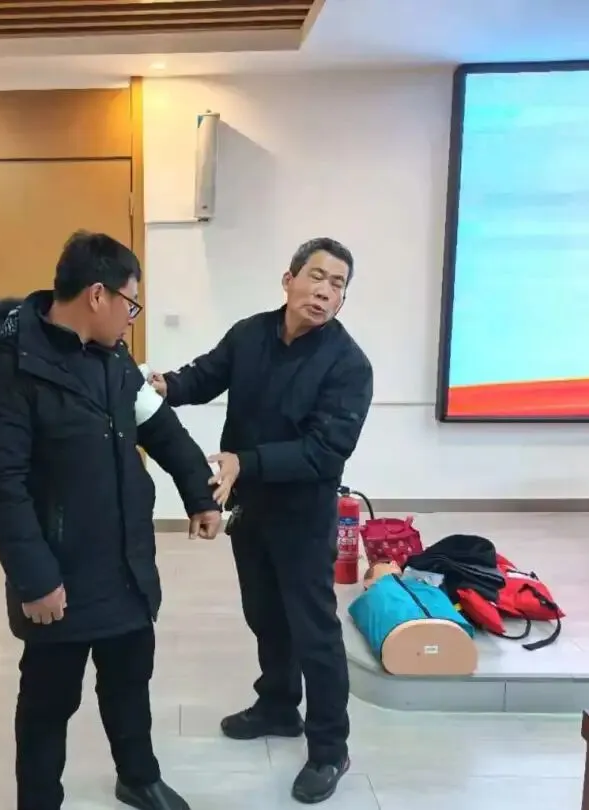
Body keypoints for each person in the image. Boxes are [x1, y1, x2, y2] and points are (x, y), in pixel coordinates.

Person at [0, 230, 223, 810]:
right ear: (98, 295)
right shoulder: (9, 369)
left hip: (125, 562)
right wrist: (35, 579)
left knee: (130, 679)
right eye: (131, 303)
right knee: (49, 700)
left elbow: (161, 429)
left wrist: (199, 495)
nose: (133, 317)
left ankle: (138, 775)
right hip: (58, 572)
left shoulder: (114, 358)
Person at [149, 237, 373, 805]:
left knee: (314, 632)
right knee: (265, 615)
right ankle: (277, 706)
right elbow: (205, 375)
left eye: (337, 285)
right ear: (289, 278)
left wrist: (243, 462)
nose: (324, 292)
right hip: (251, 508)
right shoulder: (250, 334)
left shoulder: (348, 365)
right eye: (316, 276)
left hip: (303, 515)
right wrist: (166, 386)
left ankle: (330, 748)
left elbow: (325, 452)